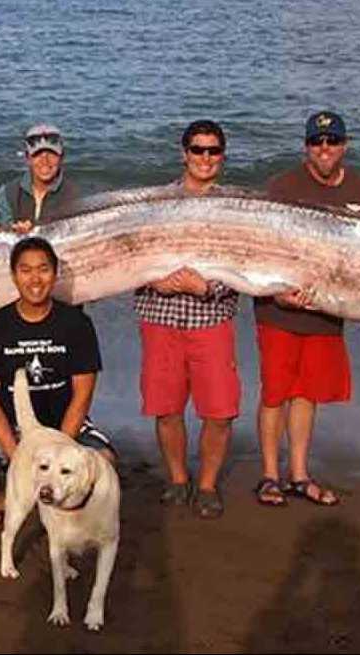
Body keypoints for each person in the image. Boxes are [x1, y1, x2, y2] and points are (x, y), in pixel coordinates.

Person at [253, 111, 360, 508]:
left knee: (307, 394)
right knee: (275, 394)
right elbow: (259, 246)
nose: (325, 148)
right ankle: (270, 476)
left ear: (344, 145)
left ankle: (299, 474)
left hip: (326, 313)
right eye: (317, 142)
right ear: (306, 147)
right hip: (278, 311)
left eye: (332, 141)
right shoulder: (282, 186)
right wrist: (277, 293)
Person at [0, 237, 112, 525]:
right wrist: (18, 459)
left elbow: (83, 395)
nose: (35, 279)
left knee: (104, 465)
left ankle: (53, 498)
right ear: (14, 276)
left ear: (55, 274)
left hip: (64, 424)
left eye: (43, 269)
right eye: (25, 270)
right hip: (13, 426)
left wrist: (61, 449)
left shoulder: (77, 324)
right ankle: (8, 490)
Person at [134, 120, 239, 520]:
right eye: (198, 150)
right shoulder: (156, 202)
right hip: (159, 316)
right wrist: (152, 279)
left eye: (213, 151)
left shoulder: (236, 207)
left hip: (211, 318)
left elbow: (247, 259)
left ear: (222, 156)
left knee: (220, 412)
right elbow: (129, 252)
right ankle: (178, 479)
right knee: (166, 408)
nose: (205, 158)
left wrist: (207, 288)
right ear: (184, 153)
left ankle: (207, 485)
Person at [0, 124, 80, 233]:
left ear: (61, 157)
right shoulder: (7, 194)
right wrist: (14, 231)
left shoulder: (77, 194)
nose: (45, 161)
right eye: (37, 154)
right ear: (28, 158)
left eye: (52, 154)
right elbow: (2, 233)